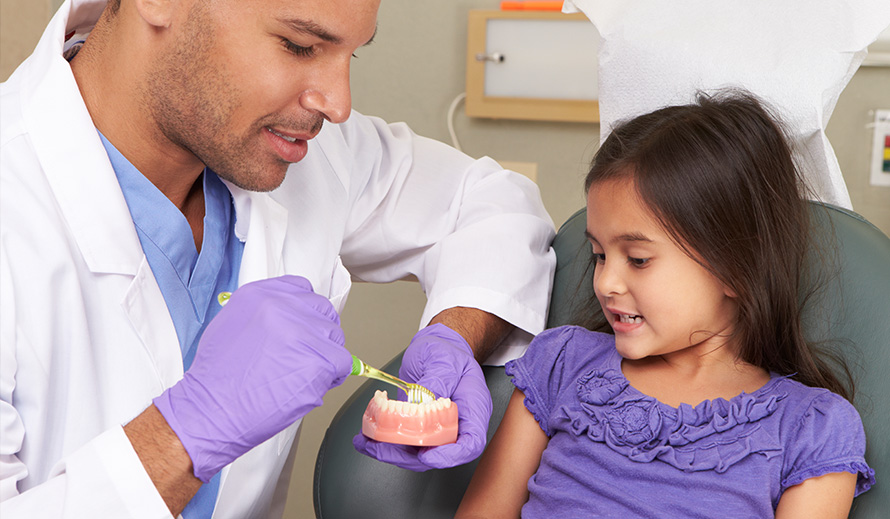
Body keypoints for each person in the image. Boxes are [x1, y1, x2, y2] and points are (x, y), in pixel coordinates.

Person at [0, 0, 556, 517]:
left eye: (350, 54)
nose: (337, 105)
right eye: (299, 46)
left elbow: (490, 203)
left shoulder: (300, 153)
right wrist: (187, 432)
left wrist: (456, 336)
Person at [455, 91, 874, 518]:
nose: (606, 282)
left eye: (638, 259)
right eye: (599, 255)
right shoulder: (562, 364)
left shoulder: (810, 428)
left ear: (734, 266)